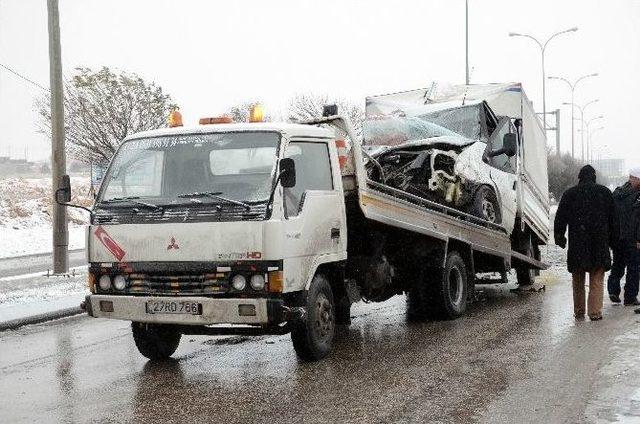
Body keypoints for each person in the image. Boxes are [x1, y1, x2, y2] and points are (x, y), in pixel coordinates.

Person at [555, 165, 619, 321]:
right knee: (597, 277)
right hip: (599, 242)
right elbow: (614, 220)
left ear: (579, 177)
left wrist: (560, 237)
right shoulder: (605, 193)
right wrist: (613, 241)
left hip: (578, 243)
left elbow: (560, 218)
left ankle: (579, 310)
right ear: (594, 177)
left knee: (577, 278)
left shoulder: (570, 194)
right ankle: (595, 312)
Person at [607, 168, 640, 305]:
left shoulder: (618, 192)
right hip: (632, 238)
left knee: (618, 264)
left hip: (618, 237)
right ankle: (630, 297)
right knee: (633, 268)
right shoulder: (638, 195)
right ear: (635, 178)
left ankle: (613, 290)